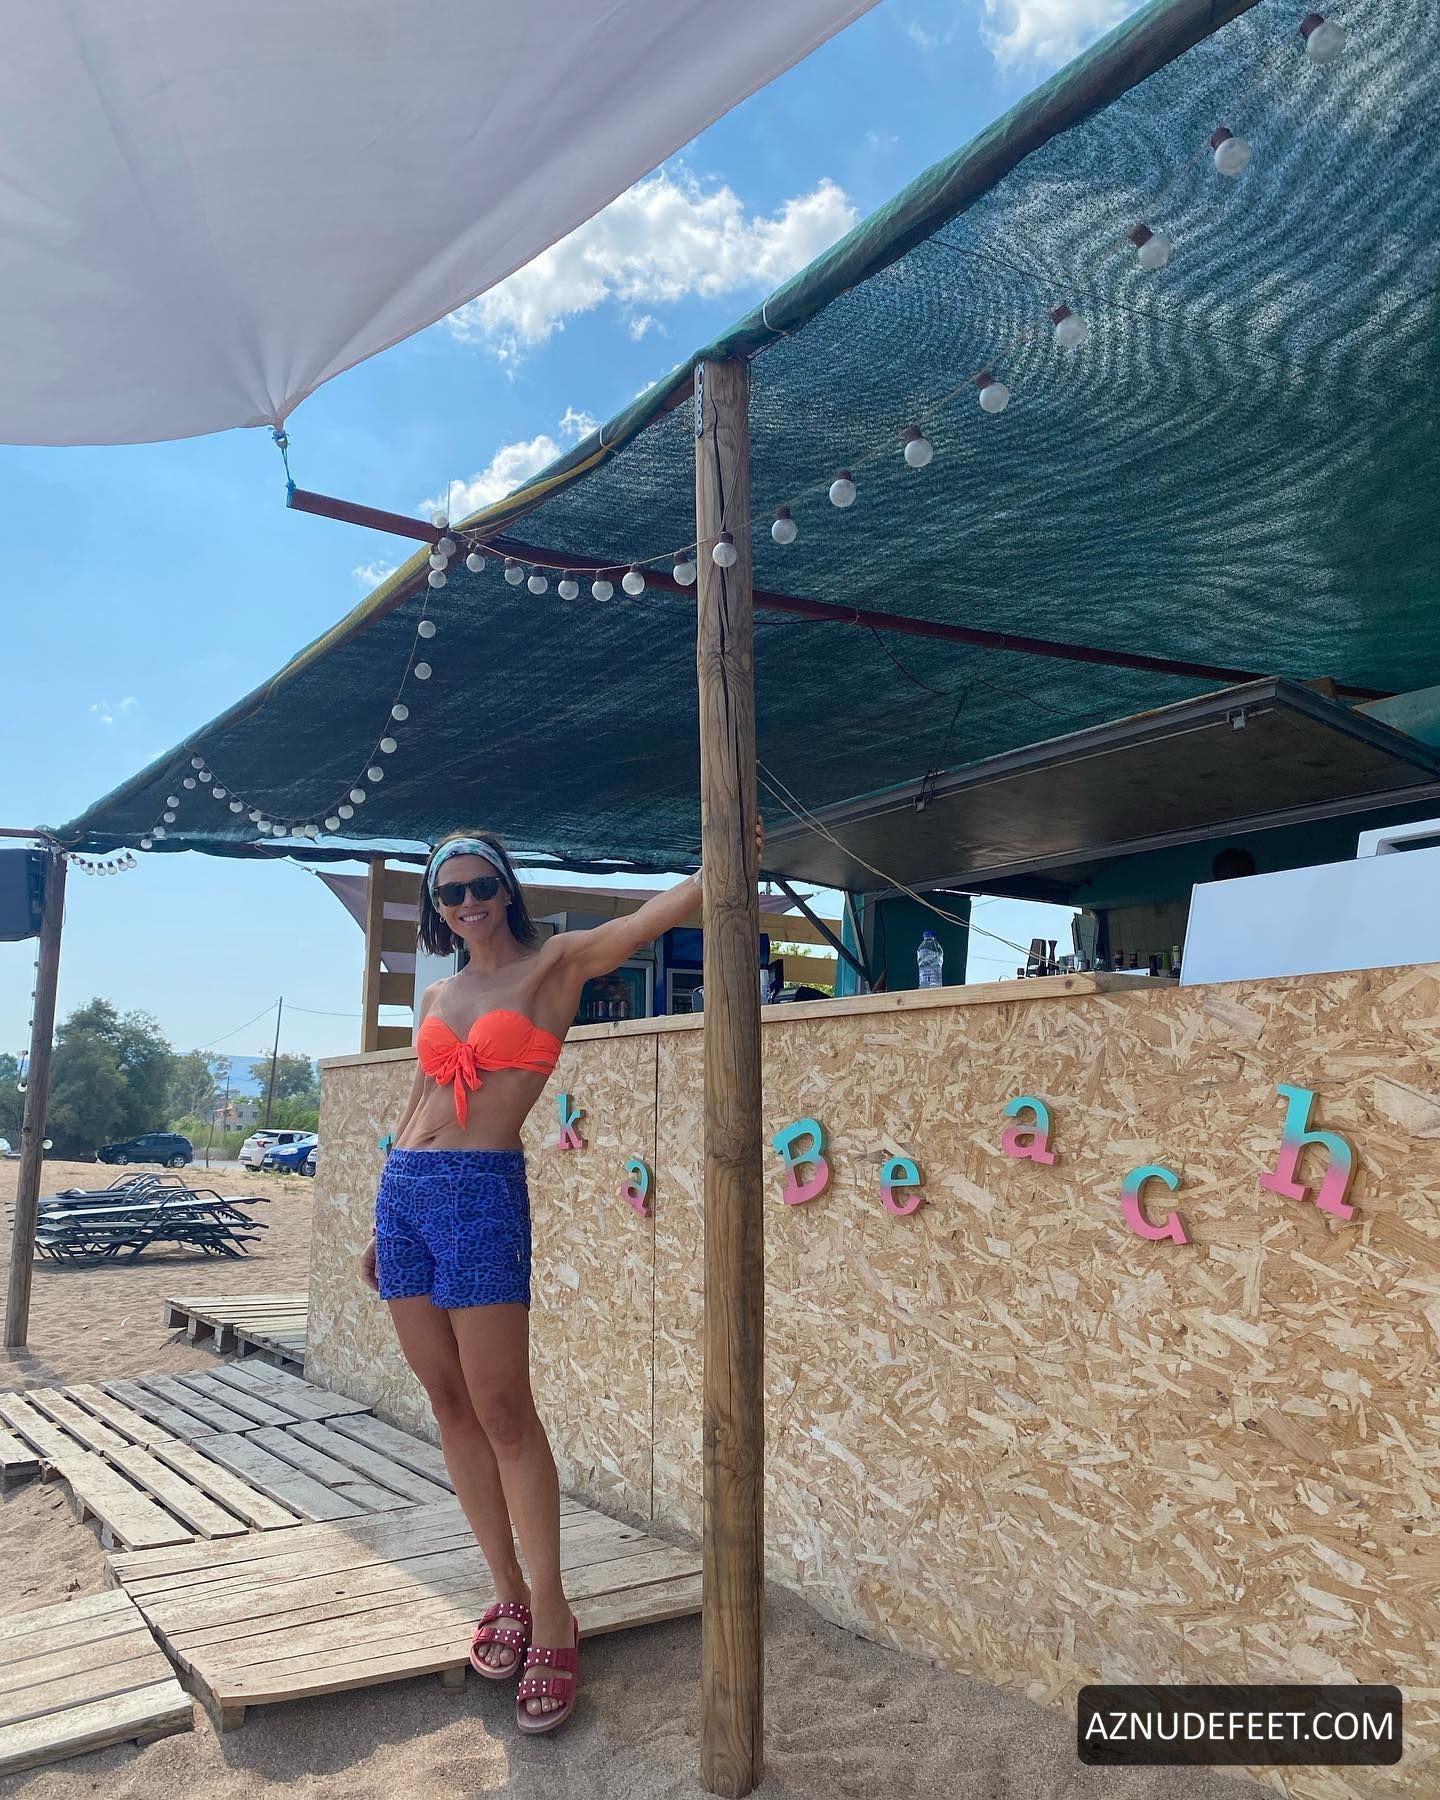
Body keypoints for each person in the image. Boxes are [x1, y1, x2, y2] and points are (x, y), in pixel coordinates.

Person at [359, 823, 759, 1733]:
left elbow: (648, 921)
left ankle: (551, 1611)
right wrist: (382, 1216)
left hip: (481, 1195)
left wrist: (724, 860)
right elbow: (419, 1099)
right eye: (451, 892)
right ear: (437, 906)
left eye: (480, 886)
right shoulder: (441, 991)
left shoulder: (556, 966)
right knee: (448, 1403)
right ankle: (503, 1590)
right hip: (406, 1195)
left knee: (503, 1410)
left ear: (506, 889)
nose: (467, 902)